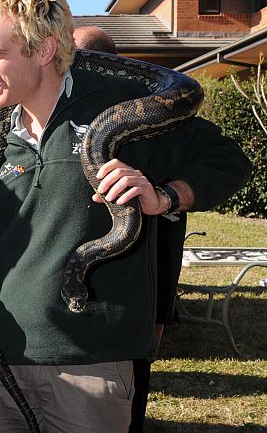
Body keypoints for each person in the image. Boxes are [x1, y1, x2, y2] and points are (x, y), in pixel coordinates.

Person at [0, 0, 251, 432]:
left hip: (90, 369)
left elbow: (230, 160)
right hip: (0, 363)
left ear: (44, 50)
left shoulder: (124, 110)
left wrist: (164, 196)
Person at [73, 24, 187, 432]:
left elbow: (171, 235)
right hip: (83, 308)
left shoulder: (152, 114)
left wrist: (162, 312)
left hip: (134, 299)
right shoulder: (79, 113)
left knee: (130, 397)